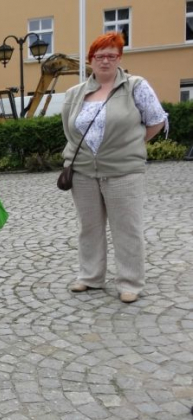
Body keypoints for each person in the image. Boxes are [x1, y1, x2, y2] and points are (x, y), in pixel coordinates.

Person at [62, 32, 166, 304]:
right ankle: (90, 276)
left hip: (123, 170)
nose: (105, 61)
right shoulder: (75, 94)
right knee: (89, 227)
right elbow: (69, 129)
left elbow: (156, 122)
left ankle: (130, 281)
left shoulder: (135, 86)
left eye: (111, 56)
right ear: (90, 60)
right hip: (84, 170)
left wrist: (130, 144)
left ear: (119, 58)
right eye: (99, 56)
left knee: (126, 227)